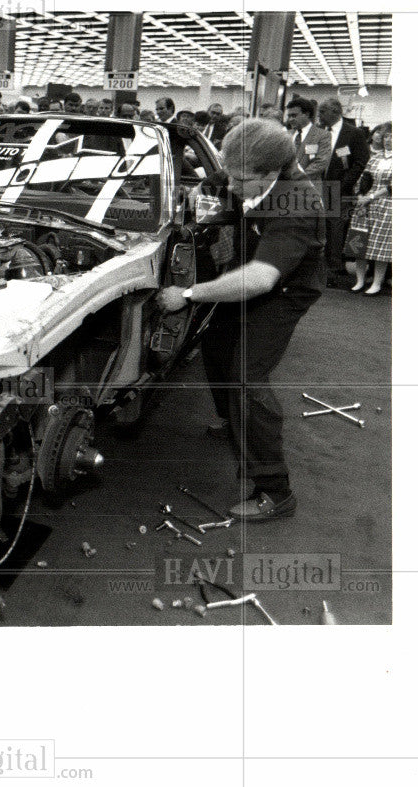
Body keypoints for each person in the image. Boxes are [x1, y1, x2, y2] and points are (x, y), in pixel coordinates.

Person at [157, 119, 325, 521]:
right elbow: (216, 180)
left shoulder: (298, 202)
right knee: (216, 351)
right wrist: (198, 192)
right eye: (229, 174)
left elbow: (261, 279)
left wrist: (187, 294)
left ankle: (276, 491)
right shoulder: (245, 167)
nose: (230, 186)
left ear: (271, 174)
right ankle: (233, 424)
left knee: (247, 380)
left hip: (282, 292)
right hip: (248, 271)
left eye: (241, 180)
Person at [317, 97, 369, 283]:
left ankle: (334, 267)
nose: (319, 115)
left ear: (335, 112)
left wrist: (345, 183)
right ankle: (319, 265)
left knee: (336, 228)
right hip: (317, 186)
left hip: (340, 189)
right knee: (318, 226)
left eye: (323, 111)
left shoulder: (353, 133)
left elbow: (361, 161)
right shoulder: (318, 131)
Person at [348, 123, 392, 295]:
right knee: (359, 241)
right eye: (387, 136)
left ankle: (377, 283)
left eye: (393, 137)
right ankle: (359, 280)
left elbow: (392, 186)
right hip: (366, 202)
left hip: (387, 203)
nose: (389, 140)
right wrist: (360, 196)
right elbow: (363, 179)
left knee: (380, 246)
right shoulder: (375, 158)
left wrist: (371, 197)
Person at [285, 97, 330, 188]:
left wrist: (296, 178)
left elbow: (321, 163)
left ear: (306, 114)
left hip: (309, 189)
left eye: (294, 115)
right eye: (289, 116)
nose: (290, 119)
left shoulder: (322, 135)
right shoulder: (286, 135)